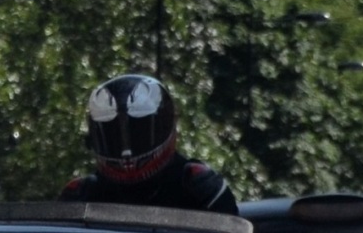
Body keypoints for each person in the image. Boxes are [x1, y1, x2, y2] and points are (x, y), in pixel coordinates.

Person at [59, 74, 238, 214]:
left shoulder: (199, 188)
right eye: (114, 135)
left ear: (166, 126)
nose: (126, 152)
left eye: (138, 132)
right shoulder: (81, 196)